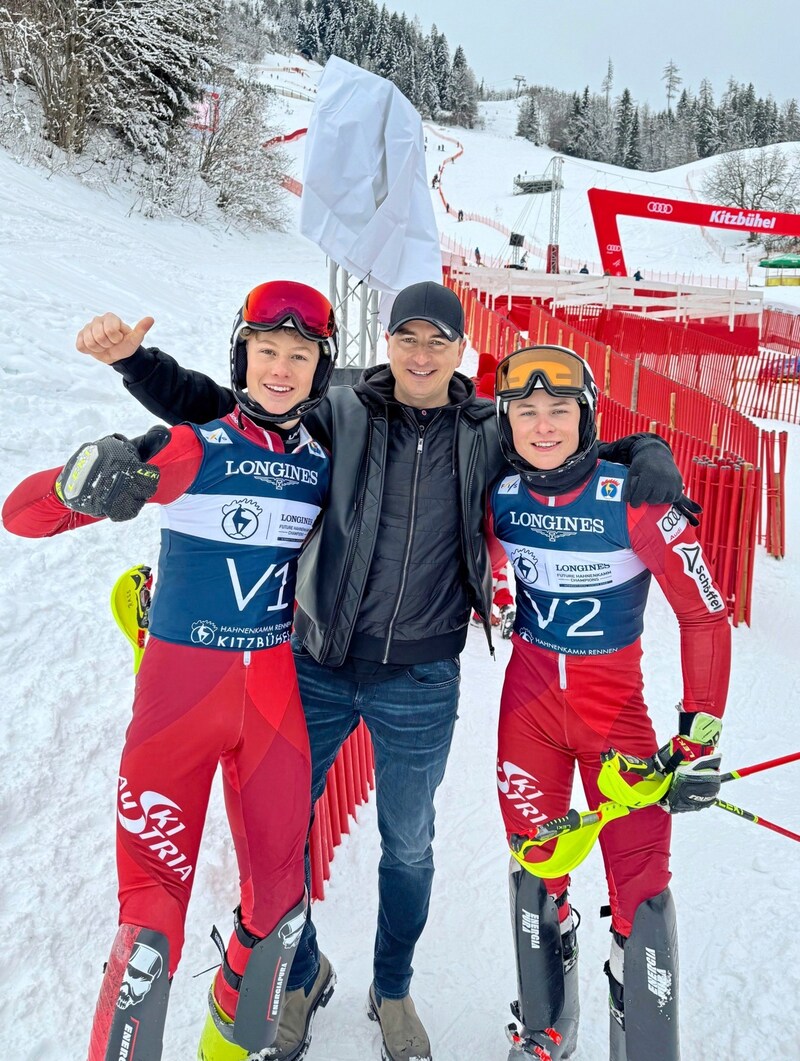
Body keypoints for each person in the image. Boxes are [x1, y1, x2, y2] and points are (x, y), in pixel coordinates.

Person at [74, 281, 692, 1061]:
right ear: (390, 342)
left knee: (408, 846)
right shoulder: (339, 406)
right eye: (409, 337)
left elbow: (567, 443)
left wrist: (649, 452)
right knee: (282, 834)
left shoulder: (487, 429)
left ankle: (391, 986)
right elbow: (219, 407)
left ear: (459, 350)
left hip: (422, 678)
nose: (423, 353)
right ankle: (297, 976)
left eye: (439, 340)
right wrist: (137, 362)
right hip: (319, 661)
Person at [2, 281, 339, 1061]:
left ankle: (228, 1033)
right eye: (266, 351)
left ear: (320, 369)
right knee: (149, 924)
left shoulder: (324, 464)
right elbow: (18, 515)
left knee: (281, 908)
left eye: (299, 354)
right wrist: (81, 478)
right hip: (182, 703)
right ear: (243, 355)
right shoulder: (196, 446)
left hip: (273, 706)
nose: (281, 369)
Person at [488, 345, 730, 1061]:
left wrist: (698, 741)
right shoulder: (495, 491)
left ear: (586, 413)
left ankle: (648, 1047)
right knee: (535, 863)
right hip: (527, 714)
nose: (542, 426)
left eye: (559, 409)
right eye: (525, 411)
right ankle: (545, 1030)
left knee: (643, 887)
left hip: (615, 722)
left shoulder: (635, 495)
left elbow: (706, 614)